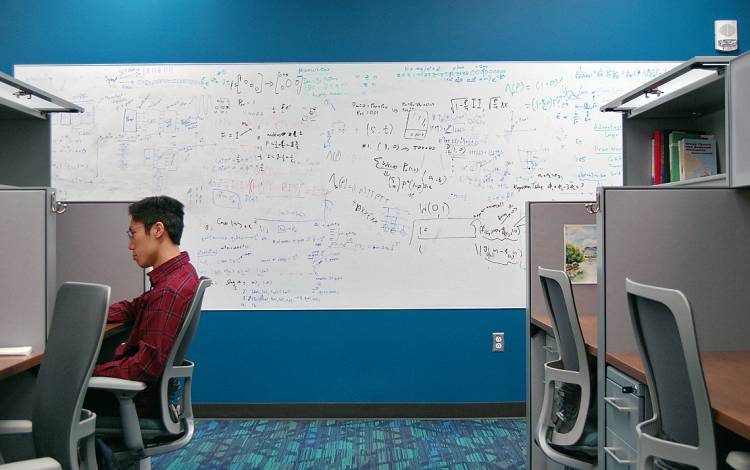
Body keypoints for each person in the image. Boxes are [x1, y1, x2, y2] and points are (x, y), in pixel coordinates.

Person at [87, 195, 199, 419]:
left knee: (47, 383)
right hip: (149, 397)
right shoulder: (180, 275)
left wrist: (86, 373)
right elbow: (133, 308)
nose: (130, 245)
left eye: (133, 234)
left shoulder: (169, 291)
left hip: (139, 404)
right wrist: (85, 314)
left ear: (157, 230)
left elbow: (145, 367)